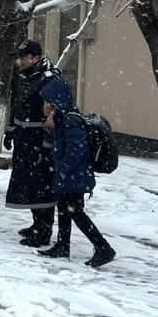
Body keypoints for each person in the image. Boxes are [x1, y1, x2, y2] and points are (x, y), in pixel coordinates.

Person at [38, 78, 116, 268]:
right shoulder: (62, 118)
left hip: (75, 176)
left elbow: (76, 149)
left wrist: (63, 171)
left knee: (76, 213)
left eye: (47, 102)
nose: (44, 106)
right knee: (65, 210)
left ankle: (103, 247)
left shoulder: (70, 120)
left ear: (55, 102)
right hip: (71, 175)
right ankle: (63, 246)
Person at [4, 40, 61, 247]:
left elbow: (55, 113)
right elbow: (16, 104)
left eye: (23, 57)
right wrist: (10, 131)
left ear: (35, 58)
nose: (18, 61)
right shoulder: (23, 76)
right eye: (18, 57)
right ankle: (36, 223)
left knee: (42, 185)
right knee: (27, 183)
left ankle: (44, 230)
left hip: (39, 140)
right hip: (23, 138)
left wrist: (48, 143)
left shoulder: (49, 78)